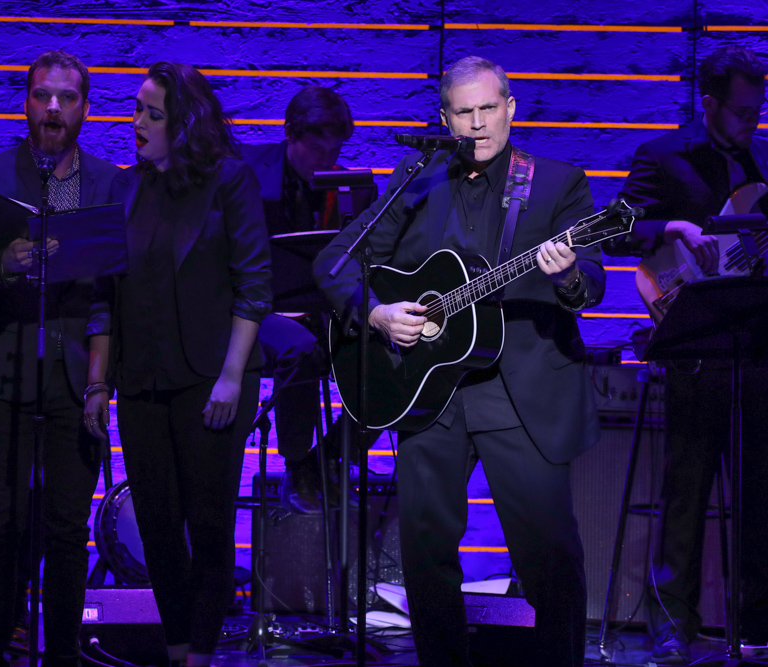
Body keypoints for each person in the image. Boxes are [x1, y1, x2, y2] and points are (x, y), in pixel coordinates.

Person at [314, 55, 605, 667]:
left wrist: (571, 273)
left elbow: (594, 287)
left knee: (548, 557)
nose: (477, 125)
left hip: (520, 393)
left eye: (488, 110)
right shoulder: (416, 178)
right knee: (424, 553)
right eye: (463, 113)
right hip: (430, 392)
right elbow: (336, 264)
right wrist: (376, 315)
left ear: (510, 109)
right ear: (444, 117)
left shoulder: (556, 183)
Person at [83, 61, 271, 667]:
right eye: (137, 109)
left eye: (151, 114)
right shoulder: (125, 187)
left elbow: (255, 287)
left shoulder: (229, 180)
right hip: (141, 382)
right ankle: (176, 646)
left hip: (211, 382)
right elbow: (107, 292)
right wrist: (99, 383)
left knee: (208, 523)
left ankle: (203, 654)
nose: (136, 122)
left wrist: (233, 376)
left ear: (184, 123)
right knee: (157, 527)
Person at [604, 45, 768, 664]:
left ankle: (757, 622)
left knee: (760, 489)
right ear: (710, 102)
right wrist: (672, 229)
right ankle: (673, 625)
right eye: (741, 112)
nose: (751, 123)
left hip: (754, 341)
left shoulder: (763, 160)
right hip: (694, 340)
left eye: (758, 110)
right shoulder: (663, 155)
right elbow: (617, 229)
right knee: (687, 487)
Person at [0, 50, 122, 666]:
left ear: (83, 108)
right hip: (3, 370)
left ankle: (63, 649)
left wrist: (98, 383)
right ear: (27, 103)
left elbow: (110, 289)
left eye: (66, 98)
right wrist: (2, 263)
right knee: (0, 519)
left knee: (65, 525)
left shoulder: (109, 183)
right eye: (40, 96)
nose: (52, 107)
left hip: (75, 373)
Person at [240, 85, 377, 513]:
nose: (327, 162)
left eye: (333, 153)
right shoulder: (244, 174)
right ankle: (298, 465)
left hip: (320, 311)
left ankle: (333, 454)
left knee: (391, 350)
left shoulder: (350, 188)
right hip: (255, 310)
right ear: (290, 135)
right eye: (318, 153)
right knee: (300, 350)